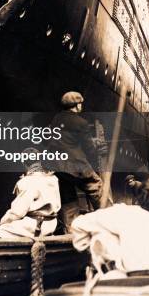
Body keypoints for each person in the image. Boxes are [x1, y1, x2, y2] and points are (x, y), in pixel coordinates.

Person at [71, 176, 149, 279]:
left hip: (133, 278)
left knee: (102, 234)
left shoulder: (123, 213)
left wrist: (89, 251)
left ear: (140, 196)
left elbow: (78, 224)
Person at [49, 92, 102, 231]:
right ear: (76, 105)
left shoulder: (55, 119)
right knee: (96, 186)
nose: (81, 106)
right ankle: (107, 220)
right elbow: (89, 149)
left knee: (68, 199)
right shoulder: (81, 122)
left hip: (59, 167)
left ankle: (71, 231)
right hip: (77, 166)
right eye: (80, 104)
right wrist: (95, 145)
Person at [0, 150, 61, 239]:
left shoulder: (27, 181)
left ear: (23, 163)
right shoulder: (53, 179)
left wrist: (3, 222)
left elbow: (17, 213)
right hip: (51, 224)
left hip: (34, 225)